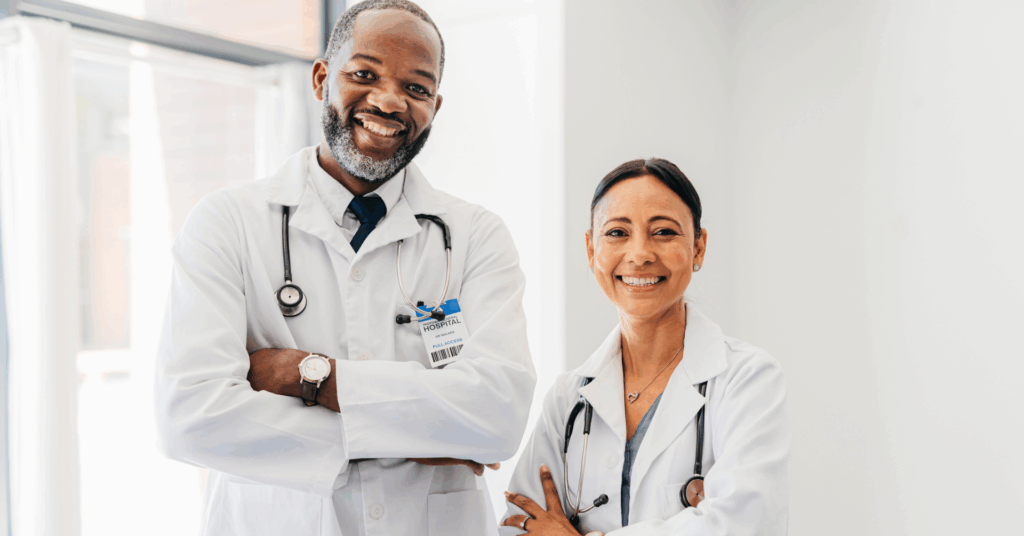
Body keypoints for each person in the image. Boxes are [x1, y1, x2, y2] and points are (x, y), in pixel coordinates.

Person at [153, 1, 536, 535]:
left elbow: (497, 416)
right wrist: (418, 431)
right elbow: (190, 419)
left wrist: (306, 374)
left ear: (435, 106)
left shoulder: (476, 237)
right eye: (364, 74)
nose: (388, 101)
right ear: (320, 79)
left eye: (417, 88)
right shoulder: (226, 223)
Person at [500, 158, 790, 535]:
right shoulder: (568, 399)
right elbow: (517, 524)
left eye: (664, 232)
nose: (639, 254)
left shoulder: (747, 379)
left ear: (699, 248)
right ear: (591, 250)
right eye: (618, 233)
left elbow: (746, 523)